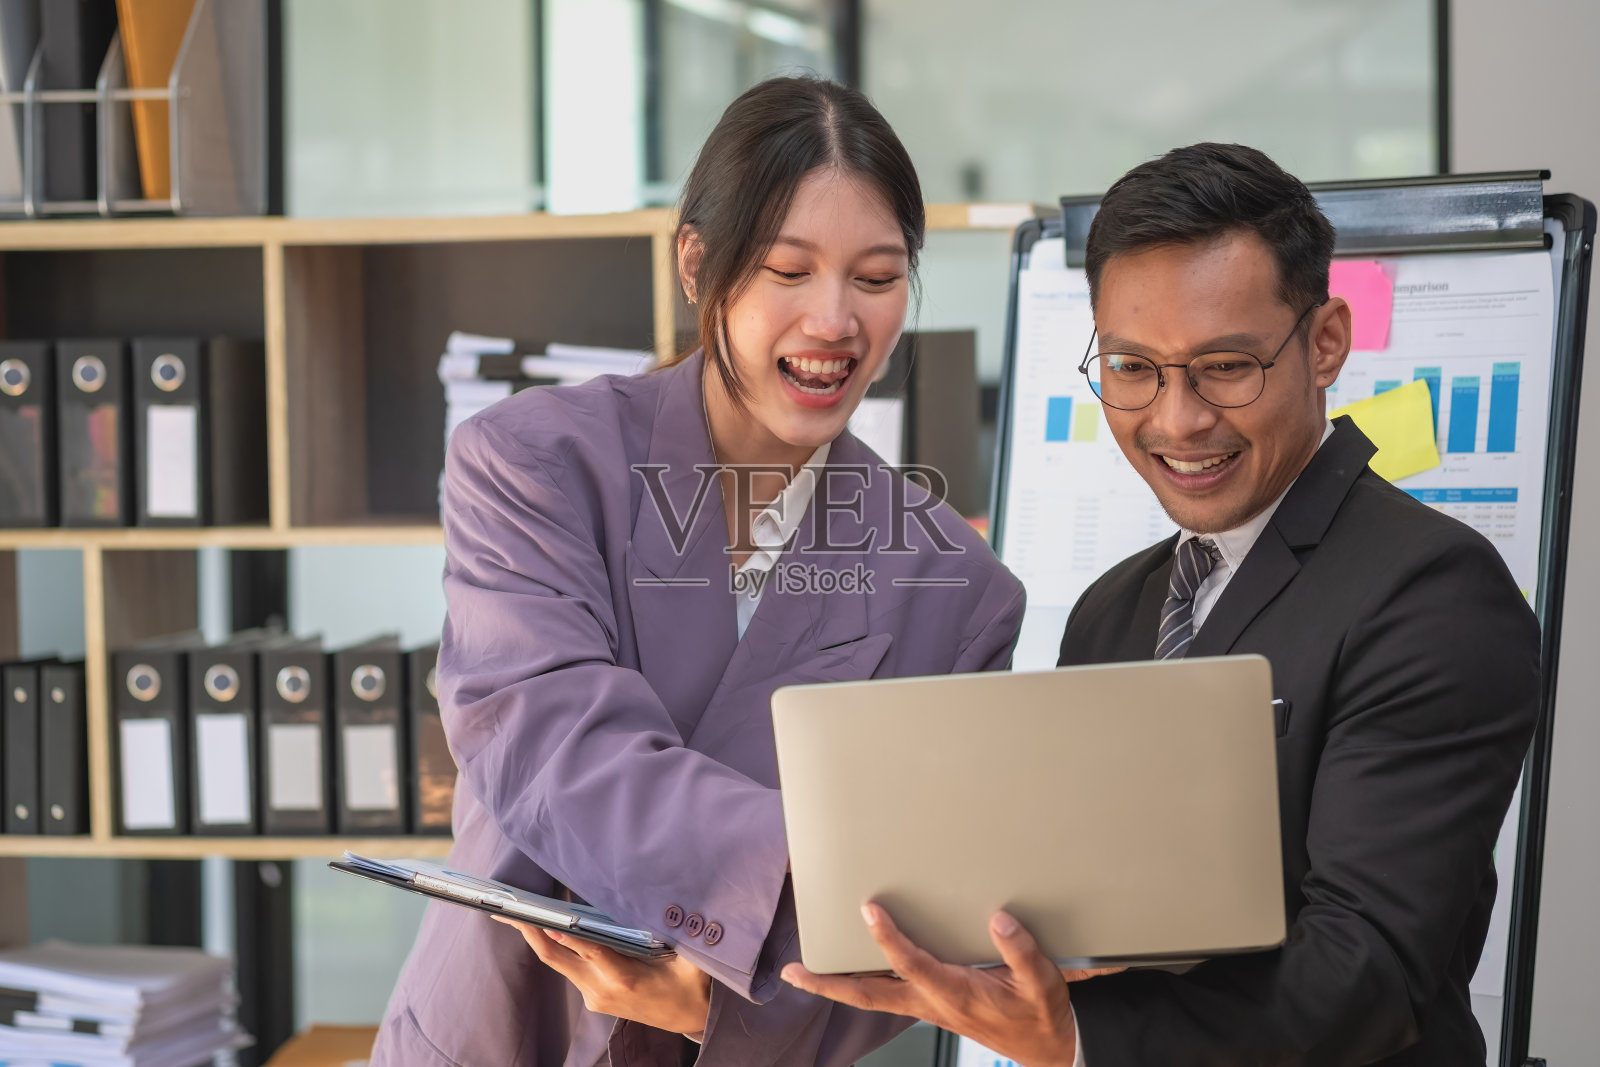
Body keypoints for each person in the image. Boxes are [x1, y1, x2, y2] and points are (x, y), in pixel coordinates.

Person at [784, 142, 1541, 1067]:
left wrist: (1074, 1039)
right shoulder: (1113, 609)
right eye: (1134, 368)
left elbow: (1367, 971)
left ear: (1327, 341)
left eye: (1225, 366)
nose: (1177, 419)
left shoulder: (1434, 593)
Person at [369, 76, 1026, 1067]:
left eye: (877, 277)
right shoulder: (535, 461)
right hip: (500, 1032)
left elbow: (920, 937)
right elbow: (551, 742)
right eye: (786, 269)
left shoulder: (958, 588)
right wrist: (834, 858)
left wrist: (717, 1006)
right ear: (696, 263)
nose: (835, 320)